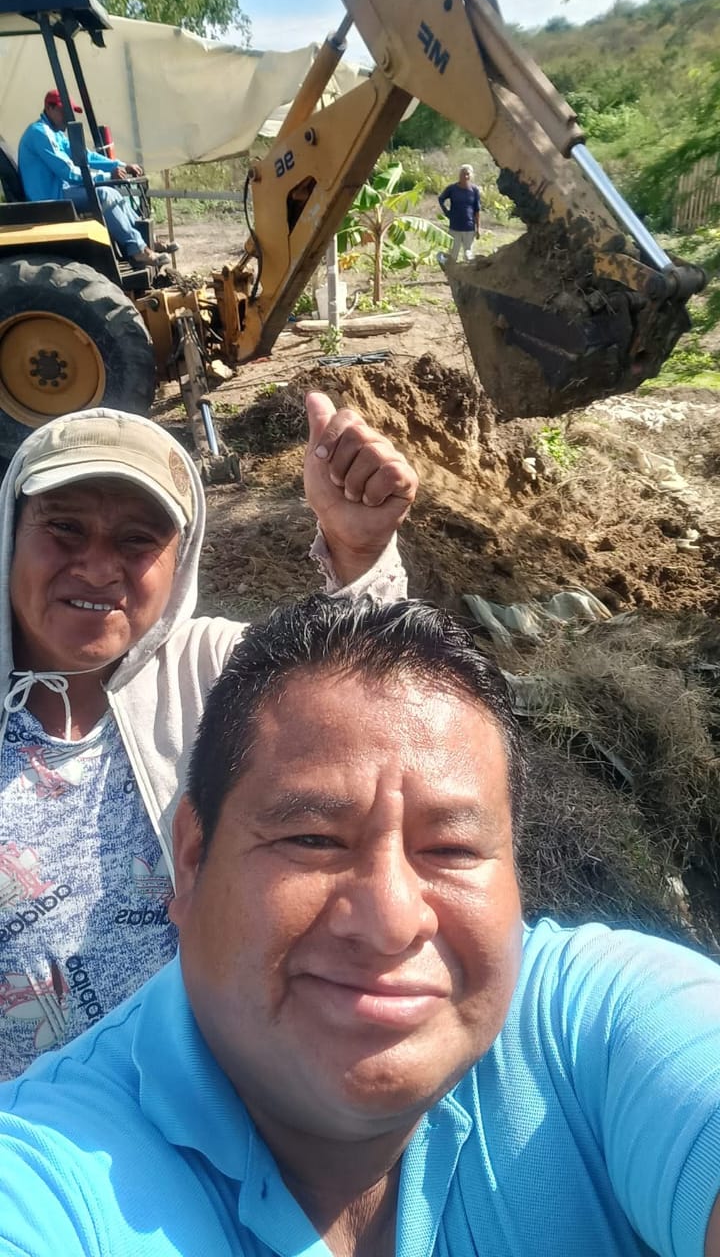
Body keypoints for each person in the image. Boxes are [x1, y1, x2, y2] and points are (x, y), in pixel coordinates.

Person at [0, 596, 718, 1257]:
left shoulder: (593, 1026)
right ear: (191, 861)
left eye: (452, 850)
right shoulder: (45, 1176)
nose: (390, 921)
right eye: (313, 840)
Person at [0, 401, 416, 1079]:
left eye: (138, 540)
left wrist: (359, 552)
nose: (99, 568)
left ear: (180, 561)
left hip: (206, 1097)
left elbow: (365, 705)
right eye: (65, 528)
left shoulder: (216, 671)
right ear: (11, 534)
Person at [17, 89, 169, 267]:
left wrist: (120, 165)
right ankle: (137, 249)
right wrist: (107, 176)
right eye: (63, 112)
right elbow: (68, 172)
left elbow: (84, 155)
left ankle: (147, 240)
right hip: (49, 198)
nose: (67, 118)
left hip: (60, 190)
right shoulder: (40, 134)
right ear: (49, 108)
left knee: (113, 193)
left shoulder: (54, 133)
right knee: (104, 195)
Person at [438, 164, 481, 262]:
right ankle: (450, 270)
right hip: (455, 227)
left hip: (469, 227)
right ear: (459, 175)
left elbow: (477, 210)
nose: (465, 176)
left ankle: (467, 271)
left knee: (468, 255)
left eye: (467, 174)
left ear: (471, 176)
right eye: (463, 174)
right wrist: (447, 212)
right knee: (453, 254)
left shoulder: (474, 190)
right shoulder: (452, 189)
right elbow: (441, 199)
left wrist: (478, 228)